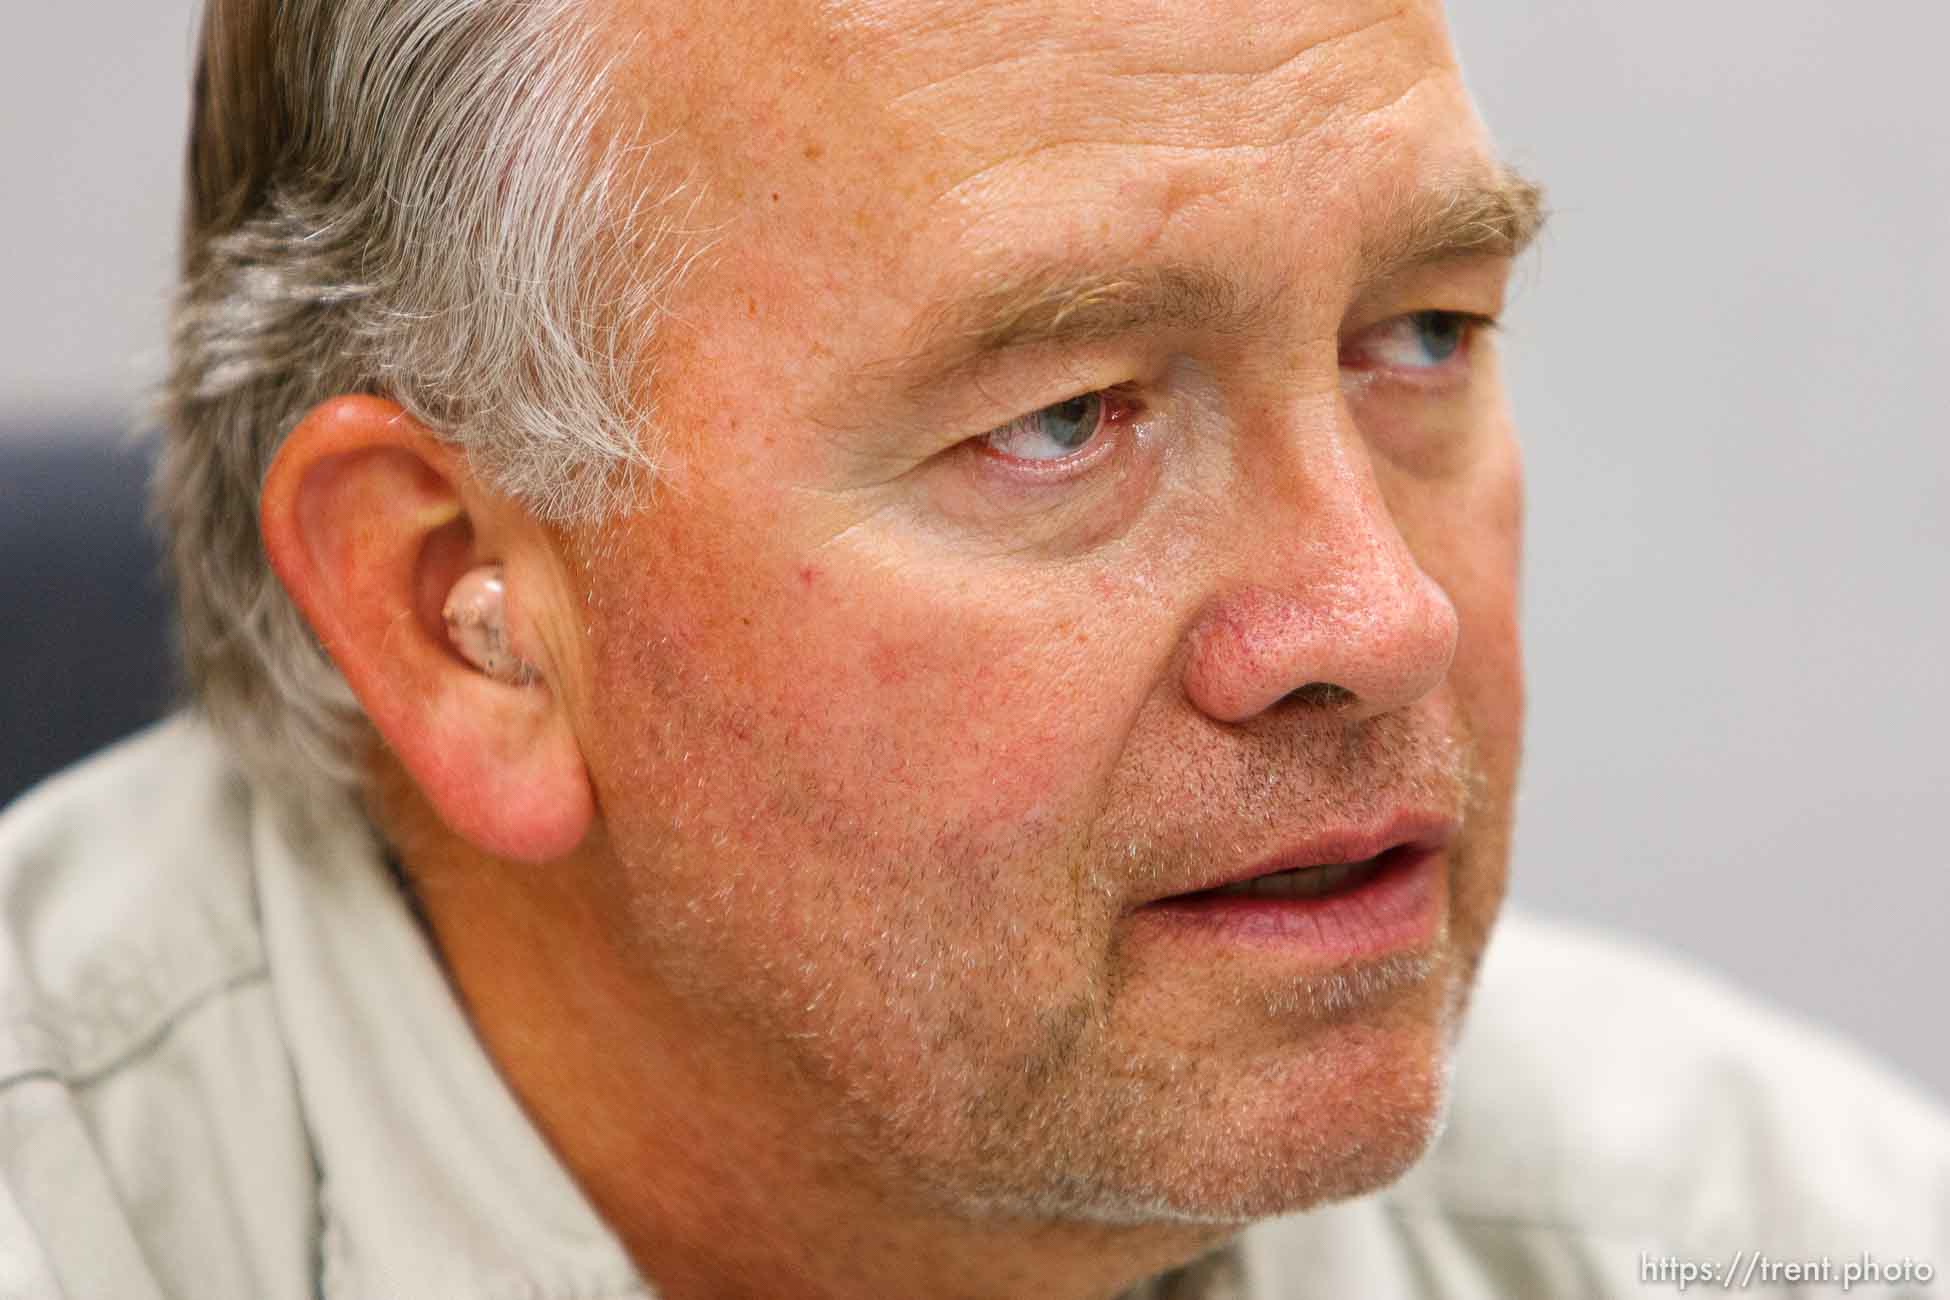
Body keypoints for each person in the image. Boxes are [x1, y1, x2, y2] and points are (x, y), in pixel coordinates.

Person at [2, 0, 1944, 1295]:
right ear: (465, 616)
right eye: (1064, 415)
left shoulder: (1757, 1229)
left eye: (1421, 332)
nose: (1381, 613)